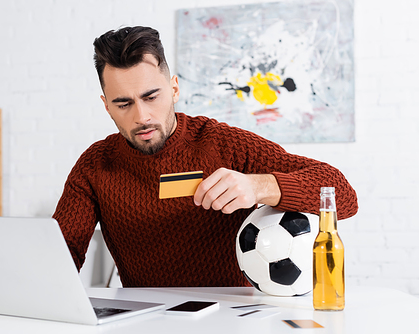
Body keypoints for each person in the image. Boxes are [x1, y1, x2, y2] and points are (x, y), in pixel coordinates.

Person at [53, 26, 358, 287]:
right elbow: (59, 254)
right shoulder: (95, 165)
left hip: (232, 315)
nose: (141, 116)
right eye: (123, 104)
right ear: (106, 106)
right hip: (145, 318)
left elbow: (343, 196)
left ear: (174, 89)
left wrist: (260, 187)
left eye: (151, 97)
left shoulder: (225, 144)